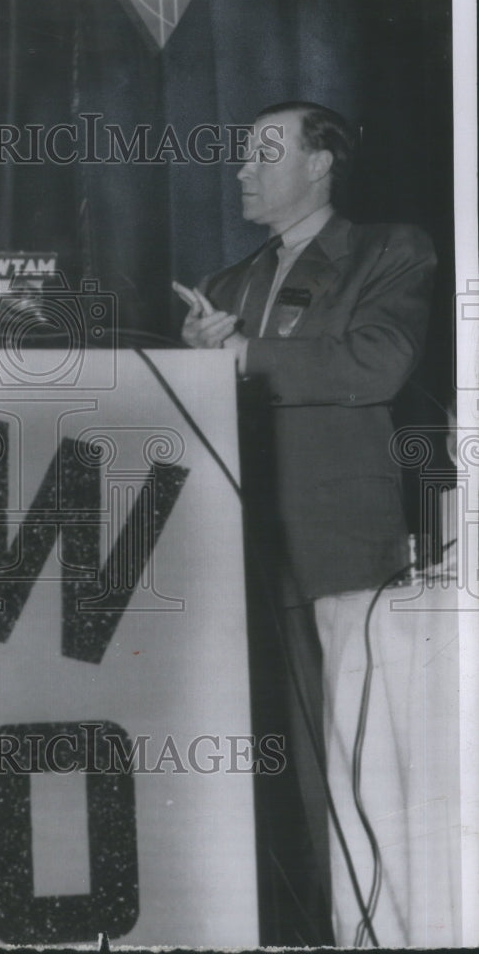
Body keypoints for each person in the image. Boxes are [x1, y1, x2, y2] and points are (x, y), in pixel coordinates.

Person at [177, 101, 447, 946]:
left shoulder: (389, 251)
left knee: (356, 769)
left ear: (322, 162)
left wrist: (245, 357)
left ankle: (373, 931)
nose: (243, 170)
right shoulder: (225, 286)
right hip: (244, 559)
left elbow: (378, 362)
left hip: (343, 556)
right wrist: (197, 362)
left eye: (264, 152)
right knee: (273, 773)